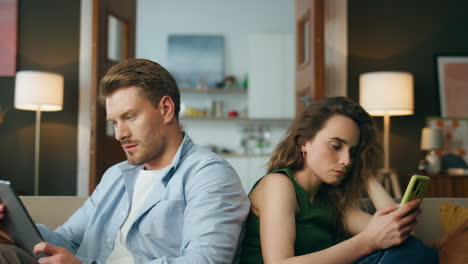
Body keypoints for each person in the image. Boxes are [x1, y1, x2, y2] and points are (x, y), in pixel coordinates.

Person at [0, 58, 250, 263]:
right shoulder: (116, 175)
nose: (120, 134)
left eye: (129, 117)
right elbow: (69, 240)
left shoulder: (208, 174)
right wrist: (11, 225)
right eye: (114, 122)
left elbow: (205, 260)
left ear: (166, 109)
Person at [239, 96, 438, 263]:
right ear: (304, 143)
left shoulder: (330, 199)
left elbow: (398, 235)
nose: (346, 160)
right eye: (335, 146)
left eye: (352, 152)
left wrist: (364, 173)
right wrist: (368, 241)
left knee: (409, 248)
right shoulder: (279, 184)